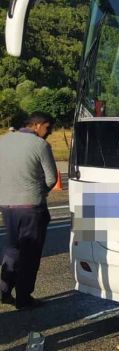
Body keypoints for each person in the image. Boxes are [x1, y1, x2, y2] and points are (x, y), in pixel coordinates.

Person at [0, 111, 57, 309]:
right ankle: (24, 298)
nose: (49, 132)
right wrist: (39, 192)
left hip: (7, 205)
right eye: (48, 128)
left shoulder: (4, 140)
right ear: (37, 125)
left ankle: (4, 291)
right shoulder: (40, 145)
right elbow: (52, 178)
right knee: (30, 254)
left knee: (13, 248)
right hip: (31, 207)